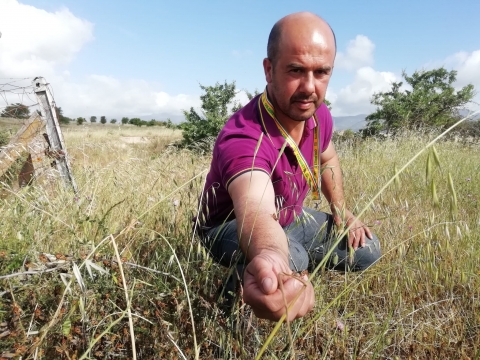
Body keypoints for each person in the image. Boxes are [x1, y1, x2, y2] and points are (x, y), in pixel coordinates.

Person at [196, 12, 381, 321]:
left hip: (289, 215)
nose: (309, 87)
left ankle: (284, 267)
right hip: (227, 227)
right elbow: (254, 209)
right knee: (291, 258)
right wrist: (270, 252)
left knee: (366, 248)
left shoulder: (315, 113)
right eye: (296, 70)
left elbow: (328, 158)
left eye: (321, 72)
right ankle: (233, 298)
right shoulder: (244, 137)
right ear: (269, 70)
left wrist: (341, 209)